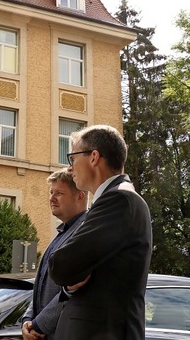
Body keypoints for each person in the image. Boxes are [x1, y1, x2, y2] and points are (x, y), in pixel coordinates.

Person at [48, 124, 152, 340]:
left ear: (94, 157)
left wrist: (70, 272)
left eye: (72, 158)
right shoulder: (113, 200)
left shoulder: (118, 199)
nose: (69, 168)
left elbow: (61, 266)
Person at [21, 169, 87, 340]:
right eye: (51, 192)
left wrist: (39, 325)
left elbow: (73, 289)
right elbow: (40, 287)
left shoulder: (85, 232)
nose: (51, 198)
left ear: (80, 196)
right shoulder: (62, 234)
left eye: (59, 193)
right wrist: (28, 319)